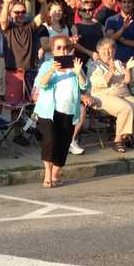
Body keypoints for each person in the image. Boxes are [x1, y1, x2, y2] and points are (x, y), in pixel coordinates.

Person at [35, 36, 91, 188]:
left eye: (65, 47)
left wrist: (79, 73)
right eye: (58, 48)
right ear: (53, 50)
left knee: (64, 144)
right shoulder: (47, 65)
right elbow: (41, 84)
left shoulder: (75, 65)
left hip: (68, 111)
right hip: (48, 110)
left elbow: (85, 87)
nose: (62, 50)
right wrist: (52, 71)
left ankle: (55, 175)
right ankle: (47, 174)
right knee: (50, 141)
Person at [86, 38, 134, 153]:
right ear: (98, 51)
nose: (108, 52)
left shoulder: (118, 62)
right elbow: (101, 84)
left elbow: (127, 81)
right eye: (105, 49)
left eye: (111, 49)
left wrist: (128, 69)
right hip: (102, 95)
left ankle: (127, 136)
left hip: (122, 93)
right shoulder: (93, 64)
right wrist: (111, 70)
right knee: (125, 108)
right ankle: (118, 140)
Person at [0, 0, 35, 105]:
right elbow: (1, 22)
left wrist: (43, 3)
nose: (20, 14)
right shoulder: (7, 24)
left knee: (29, 103)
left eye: (22, 12)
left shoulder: (29, 24)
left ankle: (27, 122)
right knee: (9, 100)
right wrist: (7, 4)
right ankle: (8, 120)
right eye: (16, 12)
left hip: (28, 69)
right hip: (8, 64)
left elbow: (38, 18)